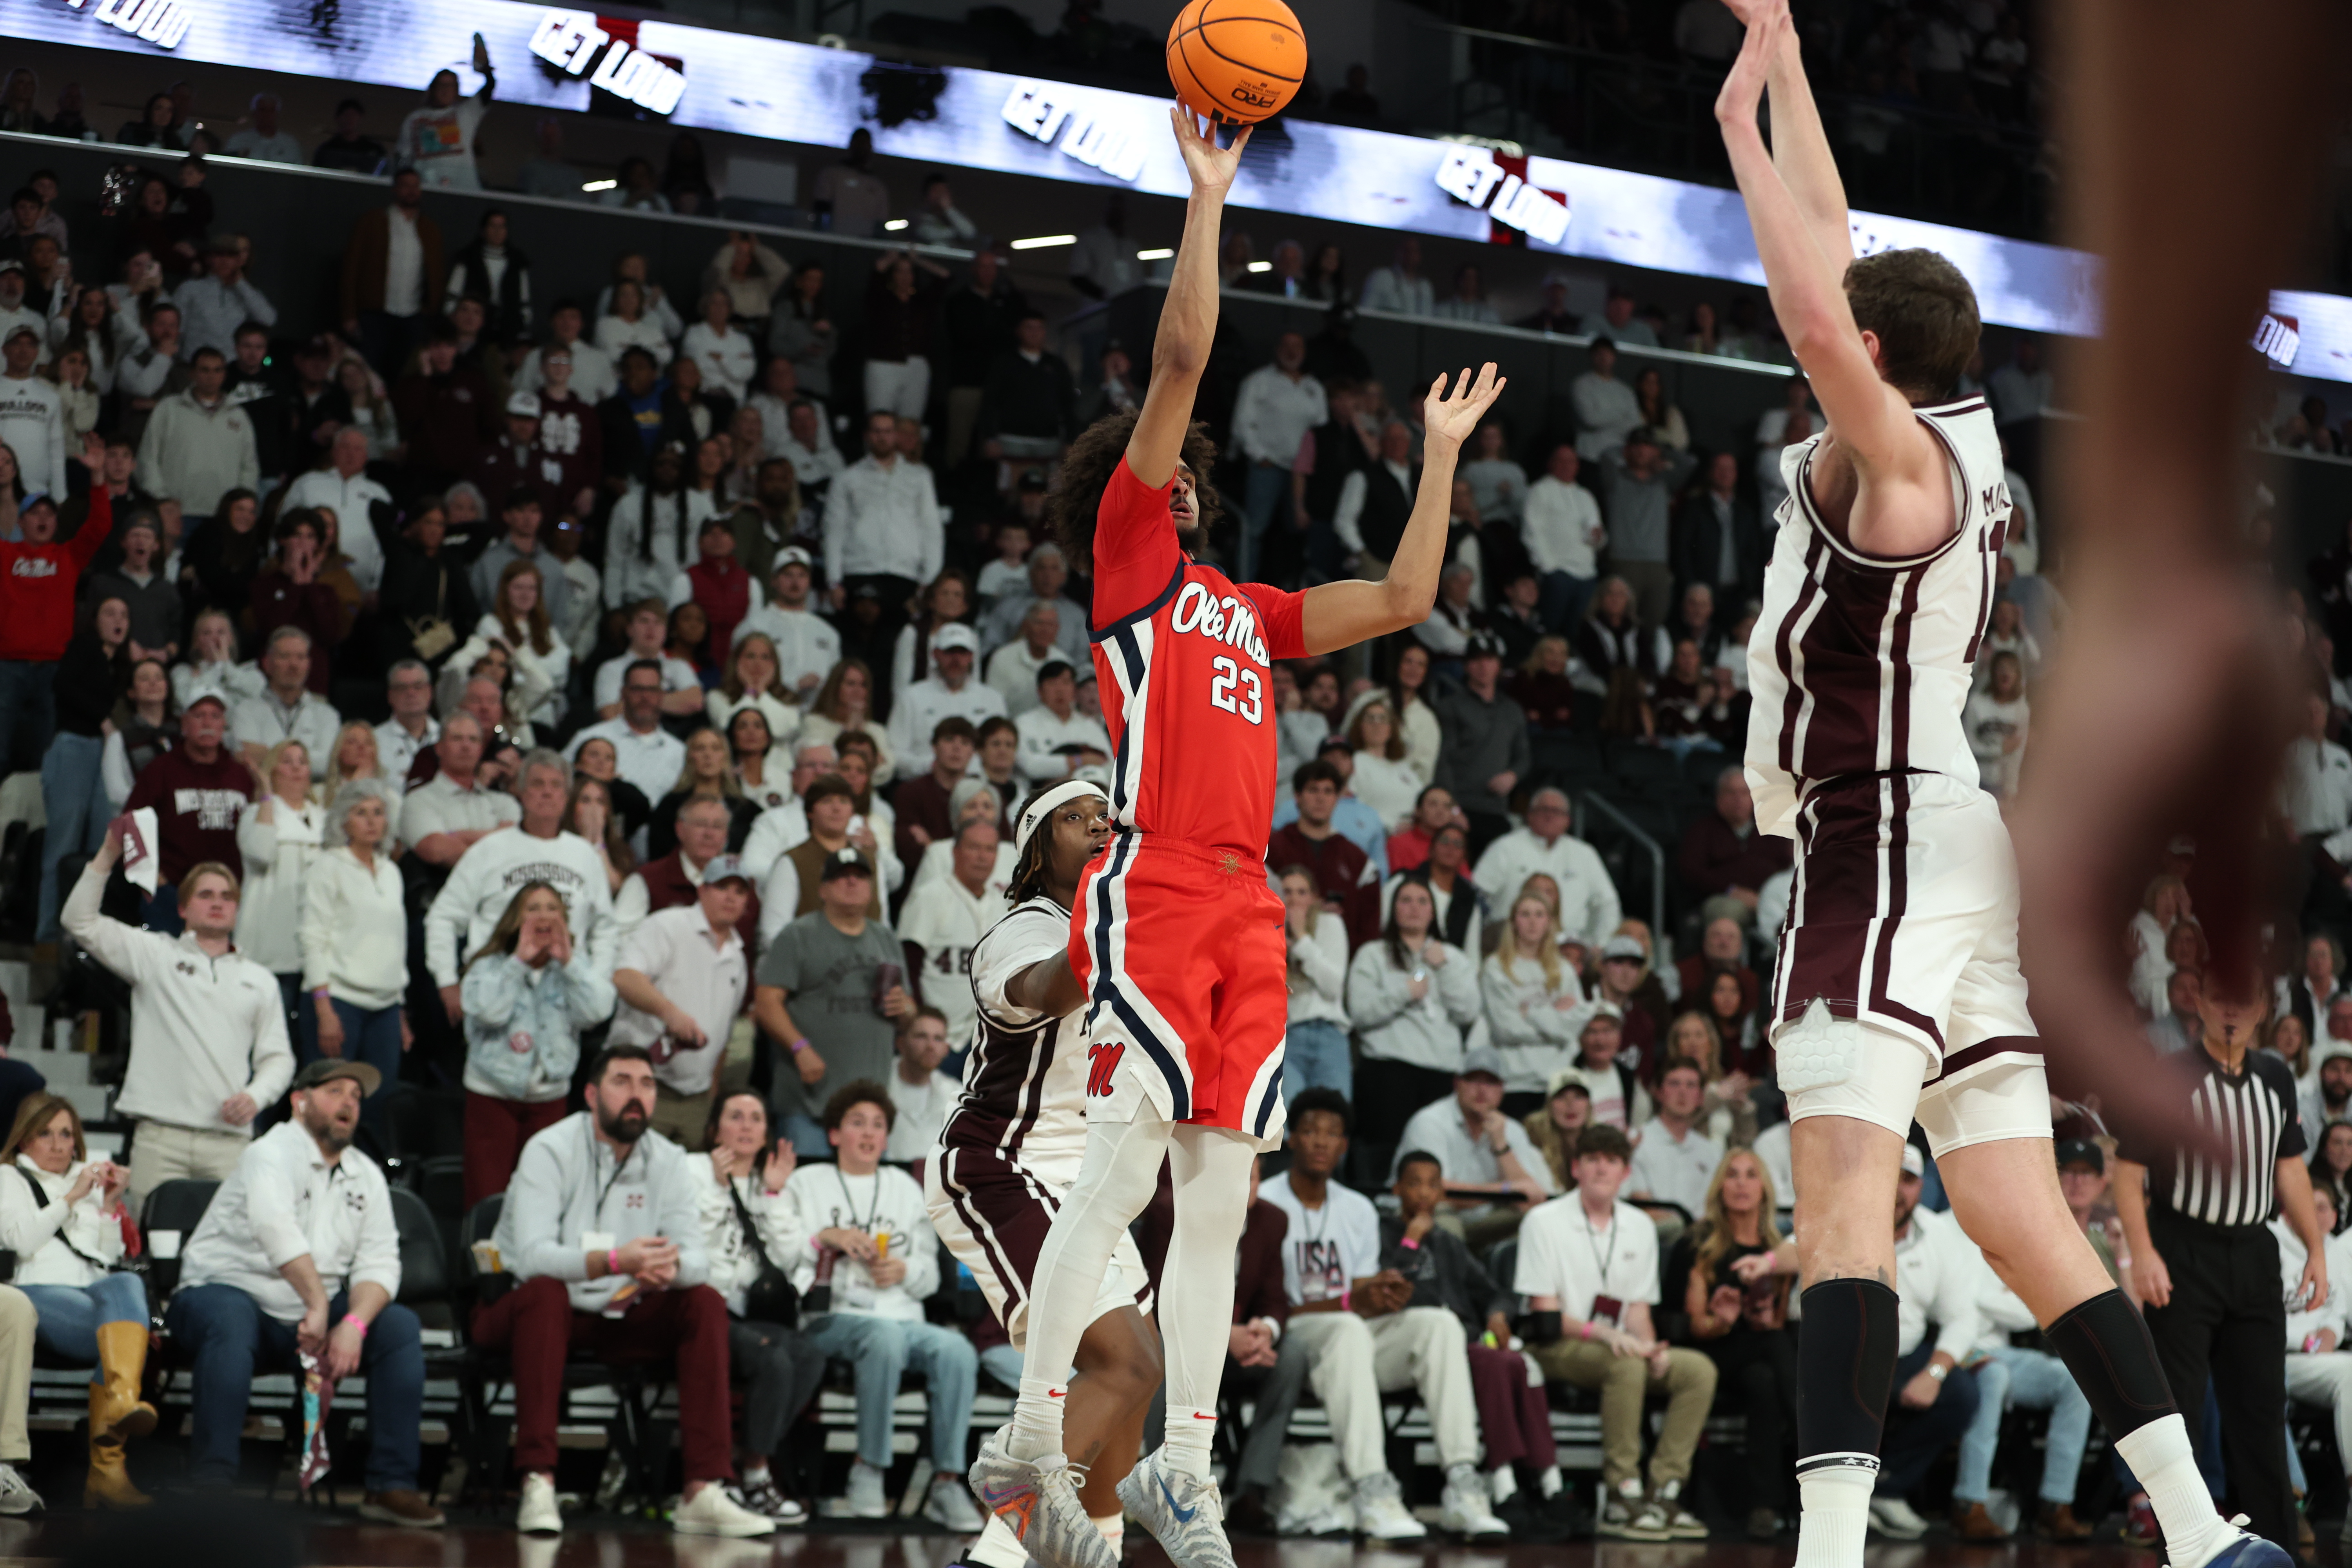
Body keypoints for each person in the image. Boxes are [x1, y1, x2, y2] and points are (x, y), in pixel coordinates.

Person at [1711, 10, 2262, 1568]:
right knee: (2023, 1215)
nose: (1812, 322)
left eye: (1836, 332)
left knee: (1842, 1205)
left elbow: (1819, 308)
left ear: (1867, 353)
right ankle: (2206, 1527)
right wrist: (1789, 58)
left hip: (1878, 843)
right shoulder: (1963, 426)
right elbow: (1836, 259)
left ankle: (1825, 1552)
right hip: (1954, 840)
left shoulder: (1892, 467)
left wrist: (1735, 138)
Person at [973, 107, 1501, 1568]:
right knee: (1120, 1176)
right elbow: (1185, 358)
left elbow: (1399, 599)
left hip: (1246, 903)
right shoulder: (1131, 562)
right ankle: (1025, 1449)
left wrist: (1439, 453)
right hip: (1149, 876)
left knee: (1216, 1197)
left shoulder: (1252, 612)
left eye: (1196, 475)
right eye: (1169, 470)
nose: (1186, 478)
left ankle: (1182, 1470)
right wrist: (1205, 195)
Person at [921, 782, 1165, 1567]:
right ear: (1034, 854)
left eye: (1105, 811)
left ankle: (1098, 1546)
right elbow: (1048, 987)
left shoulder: (1129, 935)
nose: (1098, 820)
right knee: (1120, 1360)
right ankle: (993, 1556)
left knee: (1141, 1371)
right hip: (999, 1161)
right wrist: (1121, 914)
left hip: (1084, 1173)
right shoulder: (1020, 930)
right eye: (1074, 815)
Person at [477, 1045, 776, 1537]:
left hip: (619, 1314)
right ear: (592, 1094)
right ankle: (539, 1479)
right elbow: (530, 1257)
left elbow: (698, 1262)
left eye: (647, 1084)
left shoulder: (669, 1158)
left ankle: (703, 1489)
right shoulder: (550, 1148)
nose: (636, 1095)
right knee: (546, 1293)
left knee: (702, 1301)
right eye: (623, 1081)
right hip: (530, 1315)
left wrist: (667, 1268)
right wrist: (616, 1260)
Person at [165, 1057, 443, 1524]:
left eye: (356, 1097)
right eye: (336, 1091)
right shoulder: (269, 1152)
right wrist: (318, 1304)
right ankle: (212, 1482)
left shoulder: (366, 1174)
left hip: (308, 1309)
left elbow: (380, 1261)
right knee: (230, 1320)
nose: (349, 1104)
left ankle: (390, 1485)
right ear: (300, 1100)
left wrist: (353, 1323)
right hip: (226, 1290)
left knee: (397, 1327)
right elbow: (276, 1229)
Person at [2111, 975, 2325, 1553]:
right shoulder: (2169, 1077)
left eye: (2244, 1001)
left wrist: (2316, 1250)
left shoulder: (2277, 1076)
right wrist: (2143, 1252)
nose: (2232, 1011)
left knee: (2260, 1409)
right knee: (2175, 1414)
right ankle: (2180, 1550)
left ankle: (2273, 1550)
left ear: (2260, 1010)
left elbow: (2292, 1170)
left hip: (2254, 1253)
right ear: (2201, 1002)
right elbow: (2128, 1174)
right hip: (2182, 1250)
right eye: (2221, 999)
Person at [1257, 1089, 1508, 1539]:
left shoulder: (1357, 1208)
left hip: (1349, 1340)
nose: (1321, 1141)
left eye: (1332, 1134)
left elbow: (1358, 1289)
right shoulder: (1267, 1201)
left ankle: (1463, 1483)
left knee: (1439, 1323)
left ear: (1345, 1147)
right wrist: (1356, 1301)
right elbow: (1273, 1301)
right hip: (1292, 1337)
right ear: (1291, 1138)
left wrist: (1380, 1292)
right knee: (1348, 1325)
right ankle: (1372, 1487)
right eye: (1311, 1130)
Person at [773, 1082, 981, 1526]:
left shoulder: (905, 1188)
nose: (869, 1134)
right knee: (882, 1338)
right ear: (834, 1134)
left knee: (957, 1350)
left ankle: (946, 1481)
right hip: (831, 1316)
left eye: (878, 1125)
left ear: (887, 1137)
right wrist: (823, 1240)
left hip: (901, 1314)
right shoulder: (807, 1182)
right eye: (857, 1123)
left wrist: (904, 1271)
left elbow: (928, 1274)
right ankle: (868, 1469)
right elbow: (783, 1256)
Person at [65, 821, 291, 1202]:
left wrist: (256, 1095)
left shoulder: (261, 979)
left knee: (227, 1252)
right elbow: (79, 921)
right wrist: (107, 854)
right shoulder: (155, 955)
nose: (217, 902)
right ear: (183, 907)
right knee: (147, 1248)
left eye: (226, 896)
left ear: (237, 909)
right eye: (205, 894)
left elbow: (279, 1058)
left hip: (229, 1141)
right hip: (159, 1137)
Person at [1514, 1123, 1717, 1538]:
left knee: (1696, 1369)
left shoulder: (1640, 1225)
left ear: (1626, 1172)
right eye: (1593, 1160)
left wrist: (1650, 1346)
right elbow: (1544, 1315)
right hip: (1555, 1344)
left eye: (1611, 1161)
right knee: (1624, 1365)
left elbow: (1638, 1308)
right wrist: (1608, 1336)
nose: (1602, 1169)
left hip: (1620, 1343)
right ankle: (1621, 1492)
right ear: (1576, 1168)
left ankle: (1664, 1491)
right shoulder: (1543, 1220)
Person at [0, 1094, 152, 1508]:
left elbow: (103, 1258)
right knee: (120, 1336)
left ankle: (119, 1406)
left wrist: (107, 1204)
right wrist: (69, 1199)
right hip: (37, 1295)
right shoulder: (8, 1177)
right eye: (44, 1133)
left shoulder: (87, 1184)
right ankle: (108, 1468)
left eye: (66, 1133)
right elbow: (21, 1240)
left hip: (93, 1298)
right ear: (24, 1140)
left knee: (125, 1285)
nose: (57, 1144)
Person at [694, 1091, 819, 1524]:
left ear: (767, 1131)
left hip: (758, 1313)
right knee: (774, 1360)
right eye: (735, 1116)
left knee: (808, 1354)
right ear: (715, 1129)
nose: (746, 1126)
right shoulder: (693, 1171)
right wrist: (715, 1184)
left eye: (755, 1118)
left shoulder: (773, 1180)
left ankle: (746, 1460)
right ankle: (754, 1475)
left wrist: (774, 1193)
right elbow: (694, 1248)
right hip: (709, 1310)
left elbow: (791, 1260)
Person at [1945, 1195, 2099, 1543]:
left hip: (2001, 1349)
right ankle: (1969, 1502)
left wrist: (1977, 1301)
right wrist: (1991, 1300)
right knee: (1994, 1376)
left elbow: (2024, 1313)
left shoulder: (2002, 1234)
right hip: (1953, 1349)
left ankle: (2056, 1504)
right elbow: (1947, 1306)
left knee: (2073, 1380)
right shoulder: (1940, 1228)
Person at [753, 847, 911, 1153]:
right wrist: (800, 1047)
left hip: (869, 1108)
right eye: (842, 877)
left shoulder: (886, 939)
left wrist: (905, 1009)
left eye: (860, 877)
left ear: (871, 889)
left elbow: (909, 1010)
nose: (852, 883)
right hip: (809, 1103)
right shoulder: (797, 936)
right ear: (823, 889)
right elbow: (766, 1002)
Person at [608, 855, 755, 1147]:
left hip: (696, 1099)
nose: (731, 897)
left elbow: (723, 1036)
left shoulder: (738, 957)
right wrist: (669, 1013)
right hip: (644, 1086)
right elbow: (625, 977)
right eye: (722, 887)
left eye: (739, 892)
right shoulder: (668, 926)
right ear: (702, 891)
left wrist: (711, 1097)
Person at [1387, 1047, 1556, 1246]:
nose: (1482, 1090)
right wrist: (1504, 1191)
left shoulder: (1511, 1130)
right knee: (1447, 1225)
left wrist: (1501, 1146)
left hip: (1481, 1221)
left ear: (1502, 1090)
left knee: (1536, 1221)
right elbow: (1434, 1192)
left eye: (1491, 1082)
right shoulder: (1430, 1122)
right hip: (1425, 1215)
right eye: (1474, 1080)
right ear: (1457, 1083)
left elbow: (1531, 1196)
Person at [0, 466, 107, 775]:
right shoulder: (5, 555)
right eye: (35, 514)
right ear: (20, 522)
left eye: (50, 513)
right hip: (7, 666)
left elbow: (100, 526)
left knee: (46, 755)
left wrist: (98, 482)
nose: (44, 519)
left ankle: (39, 822)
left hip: (54, 669)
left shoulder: (68, 556)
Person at [231, 738, 324, 1024]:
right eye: (287, 761)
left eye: (303, 762)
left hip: (315, 949)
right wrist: (267, 796)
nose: (296, 768)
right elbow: (262, 853)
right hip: (270, 946)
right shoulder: (253, 815)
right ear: (273, 771)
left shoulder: (324, 819)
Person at [897, 822, 1002, 1050]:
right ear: (955, 852)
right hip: (936, 1039)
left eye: (990, 849)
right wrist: (920, 1022)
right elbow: (907, 964)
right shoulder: (929, 897)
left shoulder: (1004, 905)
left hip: (986, 1040)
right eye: (974, 848)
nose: (982, 857)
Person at [1473, 788, 1621, 949]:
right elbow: (1477, 896)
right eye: (1544, 810)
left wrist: (1600, 945)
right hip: (1510, 946)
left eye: (1557, 811)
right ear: (1529, 815)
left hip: (1568, 951)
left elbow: (1608, 904)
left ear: (1568, 820)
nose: (1550, 816)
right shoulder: (1505, 848)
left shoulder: (1584, 854)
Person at [1482, 890, 1585, 1112]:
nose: (1532, 922)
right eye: (1525, 914)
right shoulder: (1496, 967)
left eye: (1540, 915)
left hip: (1557, 1081)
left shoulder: (1564, 970)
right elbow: (1506, 1030)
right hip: (1514, 1080)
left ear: (1549, 922)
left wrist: (1529, 1013)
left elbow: (1574, 1028)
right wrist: (1553, 1016)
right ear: (1514, 922)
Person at [1431, 633, 1531, 856]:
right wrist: (1452, 809)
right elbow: (1443, 760)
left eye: (1490, 660)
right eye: (1476, 660)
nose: (1483, 666)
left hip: (1497, 810)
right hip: (1461, 808)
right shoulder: (1451, 706)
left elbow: (1524, 757)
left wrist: (1512, 775)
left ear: (1499, 666)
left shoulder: (1513, 711)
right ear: (1467, 666)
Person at [1626, 1057, 1727, 1234]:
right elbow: (1642, 1206)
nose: (1683, 1092)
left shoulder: (1711, 1151)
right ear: (1659, 1093)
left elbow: (1717, 1208)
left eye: (1691, 1086)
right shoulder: (1636, 1142)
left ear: (1701, 1098)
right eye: (1674, 1084)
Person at [1278, 866, 1352, 1104]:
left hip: (1330, 1035)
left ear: (1313, 898)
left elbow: (1333, 987)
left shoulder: (1330, 925)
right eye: (1287, 892)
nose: (1295, 899)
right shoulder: (1269, 932)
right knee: (1286, 1123)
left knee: (1334, 1116)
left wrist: (1301, 938)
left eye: (1302, 892)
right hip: (1288, 1037)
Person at [396, 57, 495, 191]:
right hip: (424, 187)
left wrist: (486, 71)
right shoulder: (415, 119)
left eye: (450, 86)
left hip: (463, 188)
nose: (446, 90)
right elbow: (403, 156)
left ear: (457, 90)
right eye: (441, 85)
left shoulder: (465, 113)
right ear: (432, 88)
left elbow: (488, 89)